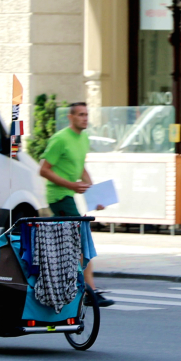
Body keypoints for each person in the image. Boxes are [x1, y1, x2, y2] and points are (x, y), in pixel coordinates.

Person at [36, 100, 114, 307]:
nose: (85, 118)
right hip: (59, 197)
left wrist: (95, 195)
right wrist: (71, 184)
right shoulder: (60, 139)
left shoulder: (83, 138)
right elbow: (44, 169)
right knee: (82, 241)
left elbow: (79, 167)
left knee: (72, 243)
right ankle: (89, 291)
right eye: (80, 115)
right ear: (70, 118)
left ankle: (74, 286)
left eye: (86, 114)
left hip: (68, 195)